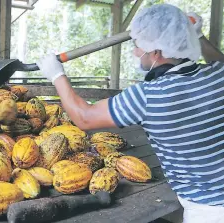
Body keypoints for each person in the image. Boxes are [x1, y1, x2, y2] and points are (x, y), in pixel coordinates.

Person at [37, 4, 224, 223]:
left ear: (156, 51)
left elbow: (84, 117)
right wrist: (197, 36)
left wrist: (57, 75)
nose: (136, 52)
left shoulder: (149, 96)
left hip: (208, 211)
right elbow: (219, 60)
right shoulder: (217, 75)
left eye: (138, 45)